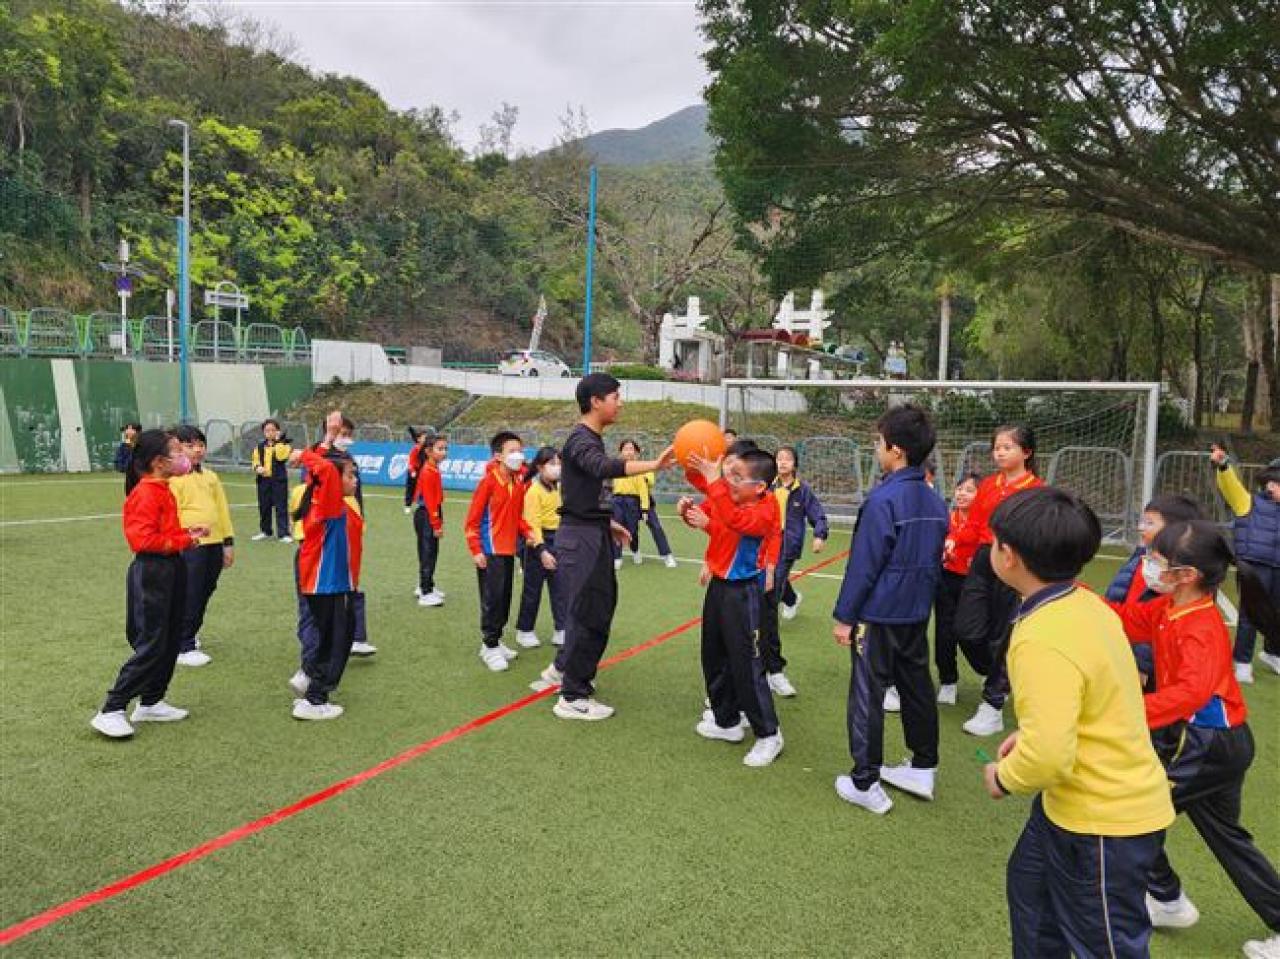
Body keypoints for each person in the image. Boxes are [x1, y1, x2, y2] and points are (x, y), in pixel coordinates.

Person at [982, 486, 1174, 959]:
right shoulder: (1084, 604)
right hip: (1066, 810)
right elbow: (1097, 696)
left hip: (1103, 821)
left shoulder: (1042, 636)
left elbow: (1048, 756)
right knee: (1032, 897)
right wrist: (1032, 732)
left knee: (1105, 945)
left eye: (994, 541)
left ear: (1009, 556)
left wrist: (1004, 777)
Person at [1109, 520, 1280, 959]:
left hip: (1206, 744)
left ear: (1186, 575)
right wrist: (1066, 590)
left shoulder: (1200, 625)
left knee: (1134, 808)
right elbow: (1125, 620)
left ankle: (1166, 896)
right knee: (1226, 838)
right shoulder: (1169, 608)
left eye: (1155, 560)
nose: (1146, 566)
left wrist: (1124, 713)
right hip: (1217, 743)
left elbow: (1191, 693)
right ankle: (1168, 900)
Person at [832, 405, 949, 814]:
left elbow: (865, 565)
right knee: (916, 686)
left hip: (879, 615)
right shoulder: (935, 500)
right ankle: (923, 766)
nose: (876, 448)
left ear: (895, 450)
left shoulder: (883, 499)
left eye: (879, 442)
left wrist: (845, 616)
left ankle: (865, 781)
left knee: (867, 693)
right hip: (916, 611)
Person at [538, 374, 673, 719]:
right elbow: (601, 467)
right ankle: (572, 696)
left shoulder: (590, 439)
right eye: (615, 396)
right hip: (580, 538)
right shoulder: (581, 439)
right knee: (588, 612)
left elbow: (580, 493)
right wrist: (654, 464)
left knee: (597, 608)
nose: (620, 403)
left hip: (591, 531)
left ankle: (562, 670)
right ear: (596, 401)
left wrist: (607, 523)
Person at [91, 430, 209, 738]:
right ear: (158, 461)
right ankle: (112, 708)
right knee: (153, 641)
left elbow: (163, 532)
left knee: (170, 638)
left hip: (171, 567)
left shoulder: (163, 488)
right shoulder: (145, 493)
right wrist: (184, 540)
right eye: (177, 451)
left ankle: (151, 701)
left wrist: (188, 533)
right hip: (153, 571)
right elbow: (142, 541)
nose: (185, 455)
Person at [680, 448, 785, 766]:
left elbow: (735, 523)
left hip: (744, 592)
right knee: (713, 655)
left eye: (737, 477)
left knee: (747, 663)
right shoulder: (731, 499)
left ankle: (769, 734)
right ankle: (727, 721)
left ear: (760, 487)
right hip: (720, 587)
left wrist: (714, 490)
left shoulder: (765, 508)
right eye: (728, 474)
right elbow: (719, 522)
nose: (728, 481)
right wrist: (691, 513)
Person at [948, 424, 1044, 737]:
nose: (1000, 453)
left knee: (1003, 634)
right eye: (997, 447)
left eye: (1007, 447)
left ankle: (992, 705)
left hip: (1016, 564)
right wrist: (954, 543)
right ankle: (1001, 676)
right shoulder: (988, 485)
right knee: (965, 629)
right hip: (983, 559)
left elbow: (1039, 534)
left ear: (1026, 452)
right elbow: (975, 524)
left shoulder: (1038, 491)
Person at [287, 411, 364, 720]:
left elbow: (324, 468)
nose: (354, 480)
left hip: (332, 582)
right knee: (333, 641)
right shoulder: (328, 502)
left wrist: (329, 439)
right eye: (350, 475)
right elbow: (325, 469)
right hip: (326, 583)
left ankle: (312, 689)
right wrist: (305, 454)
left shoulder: (326, 499)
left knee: (334, 636)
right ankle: (315, 700)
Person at [1104, 493, 1203, 687]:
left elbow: (1158, 624)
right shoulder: (1143, 554)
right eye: (1142, 521)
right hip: (1120, 644)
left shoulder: (1175, 574)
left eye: (1149, 523)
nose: (1141, 527)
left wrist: (1142, 664)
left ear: (1174, 530)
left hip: (1147, 668)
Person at [465, 431, 539, 672]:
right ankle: (489, 645)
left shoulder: (517, 484)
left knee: (505, 598)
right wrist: (476, 549)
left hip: (508, 550)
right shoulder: (487, 483)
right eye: (512, 451)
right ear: (498, 456)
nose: (518, 455)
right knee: (492, 599)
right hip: (490, 551)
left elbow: (517, 517)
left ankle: (496, 640)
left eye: (520, 450)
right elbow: (472, 521)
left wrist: (527, 532)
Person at [759, 445, 828, 698]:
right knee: (766, 597)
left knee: (769, 598)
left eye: (787, 459)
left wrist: (820, 535)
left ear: (795, 464)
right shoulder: (766, 487)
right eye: (779, 458)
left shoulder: (802, 491)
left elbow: (818, 515)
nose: (782, 462)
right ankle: (791, 599)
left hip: (786, 549)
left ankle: (773, 671)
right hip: (762, 549)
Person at [1210, 446, 1280, 683]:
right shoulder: (1248, 502)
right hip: (1253, 567)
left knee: (1276, 613)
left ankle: (1273, 653)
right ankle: (1242, 662)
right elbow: (1230, 486)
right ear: (1270, 484)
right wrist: (1223, 465)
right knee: (1250, 614)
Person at [168, 425, 234, 668]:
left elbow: (222, 510)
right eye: (190, 445)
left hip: (214, 542)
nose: (197, 450)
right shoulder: (174, 479)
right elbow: (172, 514)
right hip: (190, 545)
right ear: (177, 449)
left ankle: (190, 632)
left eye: (200, 445)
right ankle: (182, 644)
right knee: (191, 592)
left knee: (206, 589)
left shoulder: (210, 477)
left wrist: (228, 542)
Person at [933, 472, 981, 706]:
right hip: (946, 580)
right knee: (944, 633)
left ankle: (989, 671)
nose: (962, 494)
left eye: (969, 490)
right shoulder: (946, 519)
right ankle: (948, 681)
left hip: (976, 584)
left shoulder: (985, 522)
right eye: (960, 489)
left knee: (971, 633)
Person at [515, 447, 568, 650]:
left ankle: (561, 628)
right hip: (537, 543)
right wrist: (542, 550)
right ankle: (525, 630)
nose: (557, 468)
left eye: (559, 463)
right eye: (552, 464)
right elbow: (532, 524)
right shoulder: (533, 491)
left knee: (560, 588)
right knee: (532, 590)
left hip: (558, 540)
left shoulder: (559, 488)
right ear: (540, 467)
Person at [610, 439, 678, 570]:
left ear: (637, 452)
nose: (629, 452)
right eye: (626, 449)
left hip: (644, 500)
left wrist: (645, 509)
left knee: (656, 526)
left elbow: (648, 483)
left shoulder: (643, 467)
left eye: (631, 449)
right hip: (622, 502)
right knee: (626, 528)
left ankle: (667, 555)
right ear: (621, 452)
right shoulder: (616, 467)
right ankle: (623, 555)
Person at [413, 433, 448, 608]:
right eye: (440, 449)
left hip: (430, 513)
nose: (444, 452)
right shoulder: (428, 471)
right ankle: (425, 592)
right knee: (427, 553)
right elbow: (429, 500)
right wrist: (436, 523)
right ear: (428, 451)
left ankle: (427, 585)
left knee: (431, 552)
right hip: (427, 514)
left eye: (445, 449)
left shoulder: (433, 468)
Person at [251, 419, 292, 542]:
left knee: (281, 506)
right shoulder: (259, 447)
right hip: (264, 481)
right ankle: (265, 531)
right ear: (263, 432)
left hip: (279, 480)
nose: (270, 433)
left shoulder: (284, 445)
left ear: (278, 431)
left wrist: (279, 441)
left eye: (273, 430)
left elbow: (281, 456)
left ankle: (283, 533)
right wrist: (257, 468)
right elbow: (255, 461)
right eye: (267, 430)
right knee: (264, 506)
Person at [404, 426, 430, 514]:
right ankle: (407, 506)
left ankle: (422, 504)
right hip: (414, 471)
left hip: (422, 472)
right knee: (410, 489)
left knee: (422, 489)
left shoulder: (427, 448)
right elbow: (411, 462)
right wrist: (412, 471)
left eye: (426, 438)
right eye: (424, 438)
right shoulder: (415, 449)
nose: (426, 439)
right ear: (418, 439)